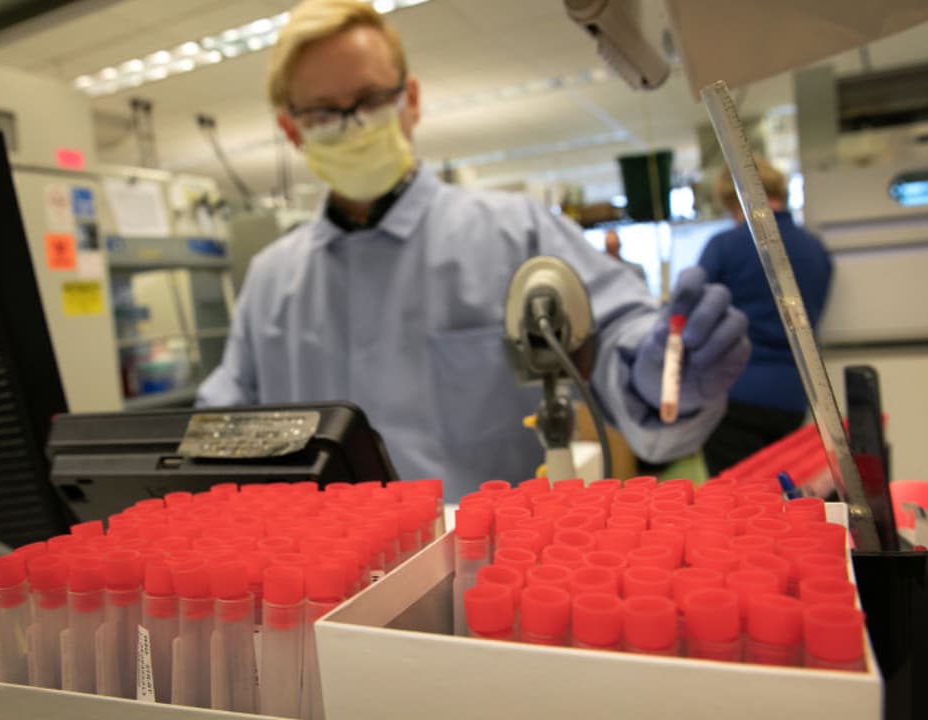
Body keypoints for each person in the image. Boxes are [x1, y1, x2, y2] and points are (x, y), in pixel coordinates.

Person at [197, 0, 751, 497]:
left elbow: (615, 335)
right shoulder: (270, 281)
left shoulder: (516, 233)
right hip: (315, 568)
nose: (353, 126)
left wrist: (660, 372)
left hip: (489, 565)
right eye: (323, 113)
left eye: (370, 100)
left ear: (410, 100)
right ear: (292, 131)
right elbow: (218, 428)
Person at [697, 159, 833, 476]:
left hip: (734, 397)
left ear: (732, 200)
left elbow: (694, 318)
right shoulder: (815, 249)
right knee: (781, 492)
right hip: (795, 396)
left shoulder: (724, 247)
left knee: (735, 496)